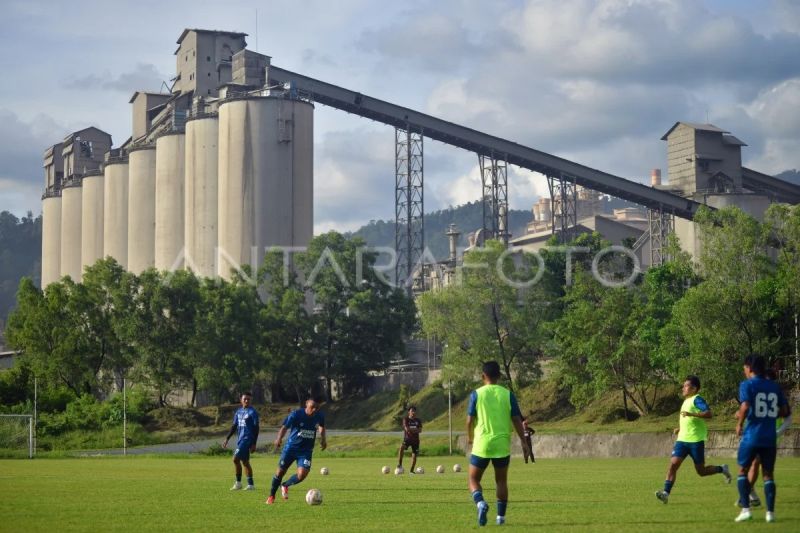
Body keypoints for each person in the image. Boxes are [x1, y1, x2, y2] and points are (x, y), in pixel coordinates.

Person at [466, 361, 531, 526]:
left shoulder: (477, 394)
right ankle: (500, 519)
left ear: (483, 376)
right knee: (501, 481)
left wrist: (470, 438)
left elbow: (469, 421)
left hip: (482, 444)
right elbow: (516, 419)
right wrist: (524, 442)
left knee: (473, 479)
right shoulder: (507, 394)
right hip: (502, 444)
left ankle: (480, 503)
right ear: (499, 376)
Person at [655, 376, 731, 504]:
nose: (683, 388)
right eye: (683, 385)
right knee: (673, 465)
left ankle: (722, 469)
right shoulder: (686, 401)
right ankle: (666, 493)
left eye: (686, 386)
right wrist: (680, 428)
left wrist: (692, 414)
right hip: (682, 440)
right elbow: (688, 421)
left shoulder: (697, 399)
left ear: (694, 388)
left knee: (701, 471)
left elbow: (708, 413)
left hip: (696, 441)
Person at [734, 355, 791, 523]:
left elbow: (745, 406)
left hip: (752, 436)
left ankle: (746, 510)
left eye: (744, 367)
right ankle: (770, 514)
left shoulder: (747, 385)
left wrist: (739, 423)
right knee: (768, 475)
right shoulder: (774, 386)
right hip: (769, 438)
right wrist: (769, 412)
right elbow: (785, 411)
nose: (744, 370)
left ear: (749, 367)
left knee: (742, 471)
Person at [266, 398, 327, 505]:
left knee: (302, 474)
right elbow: (284, 427)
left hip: (306, 451)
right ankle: (271, 496)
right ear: (306, 404)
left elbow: (321, 426)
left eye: (316, 408)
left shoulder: (319, 415)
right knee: (280, 472)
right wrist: (279, 438)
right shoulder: (296, 414)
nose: (314, 410)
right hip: (290, 449)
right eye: (312, 407)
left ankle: (285, 485)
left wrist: (323, 439)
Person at [222, 392, 260, 491]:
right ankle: (251, 485)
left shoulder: (253, 412)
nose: (247, 401)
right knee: (245, 462)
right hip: (240, 439)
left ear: (251, 400)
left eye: (249, 399)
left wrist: (254, 443)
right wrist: (227, 438)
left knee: (235, 459)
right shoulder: (238, 412)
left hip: (247, 439)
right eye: (245, 399)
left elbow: (256, 428)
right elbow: (234, 426)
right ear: (241, 400)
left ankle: (238, 483)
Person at [397, 405, 422, 473]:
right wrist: (415, 429)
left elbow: (420, 430)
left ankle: (411, 471)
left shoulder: (418, 420)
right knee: (401, 448)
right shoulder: (406, 419)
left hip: (416, 441)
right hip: (407, 439)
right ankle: (400, 464)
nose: (413, 412)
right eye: (412, 411)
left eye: (414, 411)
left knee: (414, 456)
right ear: (409, 412)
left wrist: (411, 429)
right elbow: (407, 429)